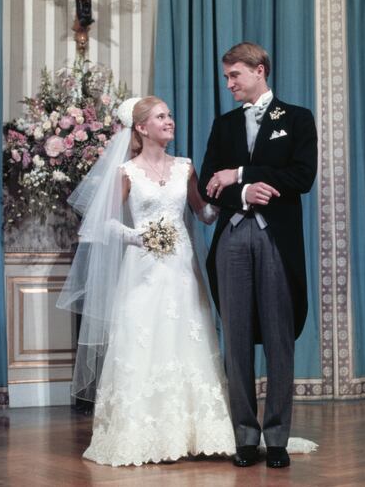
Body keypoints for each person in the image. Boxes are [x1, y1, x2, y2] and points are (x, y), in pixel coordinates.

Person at [57, 95, 316, 467]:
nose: (170, 120)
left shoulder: (185, 168)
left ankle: (196, 432)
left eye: (170, 115)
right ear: (142, 127)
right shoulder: (127, 172)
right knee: (144, 341)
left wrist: (238, 200)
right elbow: (101, 223)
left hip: (181, 269)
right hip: (142, 270)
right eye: (161, 116)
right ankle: (145, 431)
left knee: (187, 340)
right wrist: (138, 236)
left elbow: (206, 212)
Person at [199, 42, 318, 468]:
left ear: (260, 70)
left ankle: (279, 437)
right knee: (236, 340)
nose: (229, 84)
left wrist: (244, 173)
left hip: (276, 241)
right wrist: (244, 190)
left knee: (279, 340)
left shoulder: (298, 119)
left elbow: (301, 177)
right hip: (232, 236)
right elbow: (208, 184)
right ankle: (245, 437)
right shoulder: (224, 124)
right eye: (227, 76)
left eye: (235, 75)